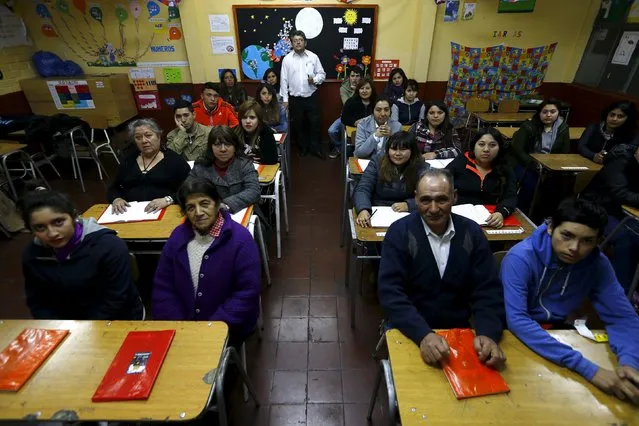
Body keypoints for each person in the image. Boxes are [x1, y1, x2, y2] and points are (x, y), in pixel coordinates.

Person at [501, 198, 639, 404]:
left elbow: (623, 318)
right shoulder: (521, 257)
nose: (574, 248)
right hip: (512, 334)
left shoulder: (597, 263)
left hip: (557, 334)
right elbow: (518, 320)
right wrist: (589, 370)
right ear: (550, 228)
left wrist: (630, 363)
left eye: (587, 241)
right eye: (567, 235)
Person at [378, 168, 506, 367]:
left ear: (454, 197)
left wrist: (488, 333)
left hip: (458, 332)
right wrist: (423, 335)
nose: (434, 208)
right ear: (416, 198)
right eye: (425, 200)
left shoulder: (472, 233)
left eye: (442, 200)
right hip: (409, 329)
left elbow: (487, 290)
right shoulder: (399, 234)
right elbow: (390, 294)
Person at [153, 178, 260, 345]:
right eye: (190, 208)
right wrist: (178, 325)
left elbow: (247, 293)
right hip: (182, 329)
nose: (198, 212)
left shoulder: (240, 240)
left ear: (217, 203)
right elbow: (164, 286)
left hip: (225, 328)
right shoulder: (177, 237)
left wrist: (211, 329)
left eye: (204, 204)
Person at [19, 187, 143, 320]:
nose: (52, 233)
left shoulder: (109, 246)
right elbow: (37, 301)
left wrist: (83, 331)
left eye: (58, 222)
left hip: (112, 319)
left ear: (74, 216)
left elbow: (117, 298)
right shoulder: (33, 254)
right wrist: (53, 326)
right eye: (40, 227)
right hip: (64, 324)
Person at [581, 143, 639, 293]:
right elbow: (619, 193)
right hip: (598, 207)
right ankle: (621, 290)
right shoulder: (620, 162)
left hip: (625, 212)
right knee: (626, 238)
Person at [108, 118, 190, 214]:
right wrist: (116, 199)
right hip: (130, 213)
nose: (144, 141)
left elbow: (189, 189)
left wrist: (168, 200)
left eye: (148, 135)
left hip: (166, 211)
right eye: (138, 137)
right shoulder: (128, 161)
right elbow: (114, 188)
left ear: (158, 136)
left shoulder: (174, 161)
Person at [354, 131, 428, 228]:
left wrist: (410, 205)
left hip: (409, 213)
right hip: (379, 210)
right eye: (393, 149)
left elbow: (430, 195)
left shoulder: (421, 166)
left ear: (412, 151)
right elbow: (363, 188)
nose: (397, 153)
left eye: (403, 149)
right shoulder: (377, 162)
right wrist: (363, 209)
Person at [446, 128, 517, 228]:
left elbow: (510, 196)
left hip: (490, 219)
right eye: (481, 144)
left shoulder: (505, 168)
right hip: (459, 217)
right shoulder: (461, 162)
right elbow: (441, 184)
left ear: (499, 148)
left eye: (492, 145)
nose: (486, 149)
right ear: (473, 146)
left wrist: (501, 213)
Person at [189, 126, 261, 214]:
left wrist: (225, 205)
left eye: (228, 144)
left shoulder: (244, 164)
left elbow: (254, 191)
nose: (223, 149)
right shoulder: (200, 166)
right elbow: (187, 190)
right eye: (217, 144)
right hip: (206, 215)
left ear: (235, 146)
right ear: (211, 147)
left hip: (242, 213)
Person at [280, 30, 326, 159]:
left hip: (311, 96)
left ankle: (315, 148)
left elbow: (322, 74)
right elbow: (283, 80)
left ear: (305, 42)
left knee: (315, 124)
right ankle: (303, 148)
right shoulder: (287, 59)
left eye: (300, 40)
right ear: (292, 43)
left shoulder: (313, 57)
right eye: (295, 40)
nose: (298, 42)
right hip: (295, 98)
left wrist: (315, 80)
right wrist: (285, 99)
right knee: (298, 125)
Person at [509, 98, 570, 169]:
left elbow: (565, 152)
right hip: (529, 163)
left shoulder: (563, 128)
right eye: (544, 112)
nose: (549, 115)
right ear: (539, 113)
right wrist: (533, 165)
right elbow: (518, 150)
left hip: (551, 165)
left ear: (558, 113)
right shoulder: (528, 126)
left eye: (553, 112)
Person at [327, 66, 363, 159]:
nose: (355, 78)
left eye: (357, 76)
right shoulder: (343, 88)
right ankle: (339, 147)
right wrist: (355, 91)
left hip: (362, 117)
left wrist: (358, 89)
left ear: (361, 77)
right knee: (332, 130)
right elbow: (347, 105)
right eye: (352, 76)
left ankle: (356, 149)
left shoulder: (365, 87)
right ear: (349, 77)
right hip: (347, 116)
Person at [234, 99, 279, 165]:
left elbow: (272, 159)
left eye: (252, 118)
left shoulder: (266, 132)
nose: (248, 121)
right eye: (244, 117)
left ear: (259, 120)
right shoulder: (234, 132)